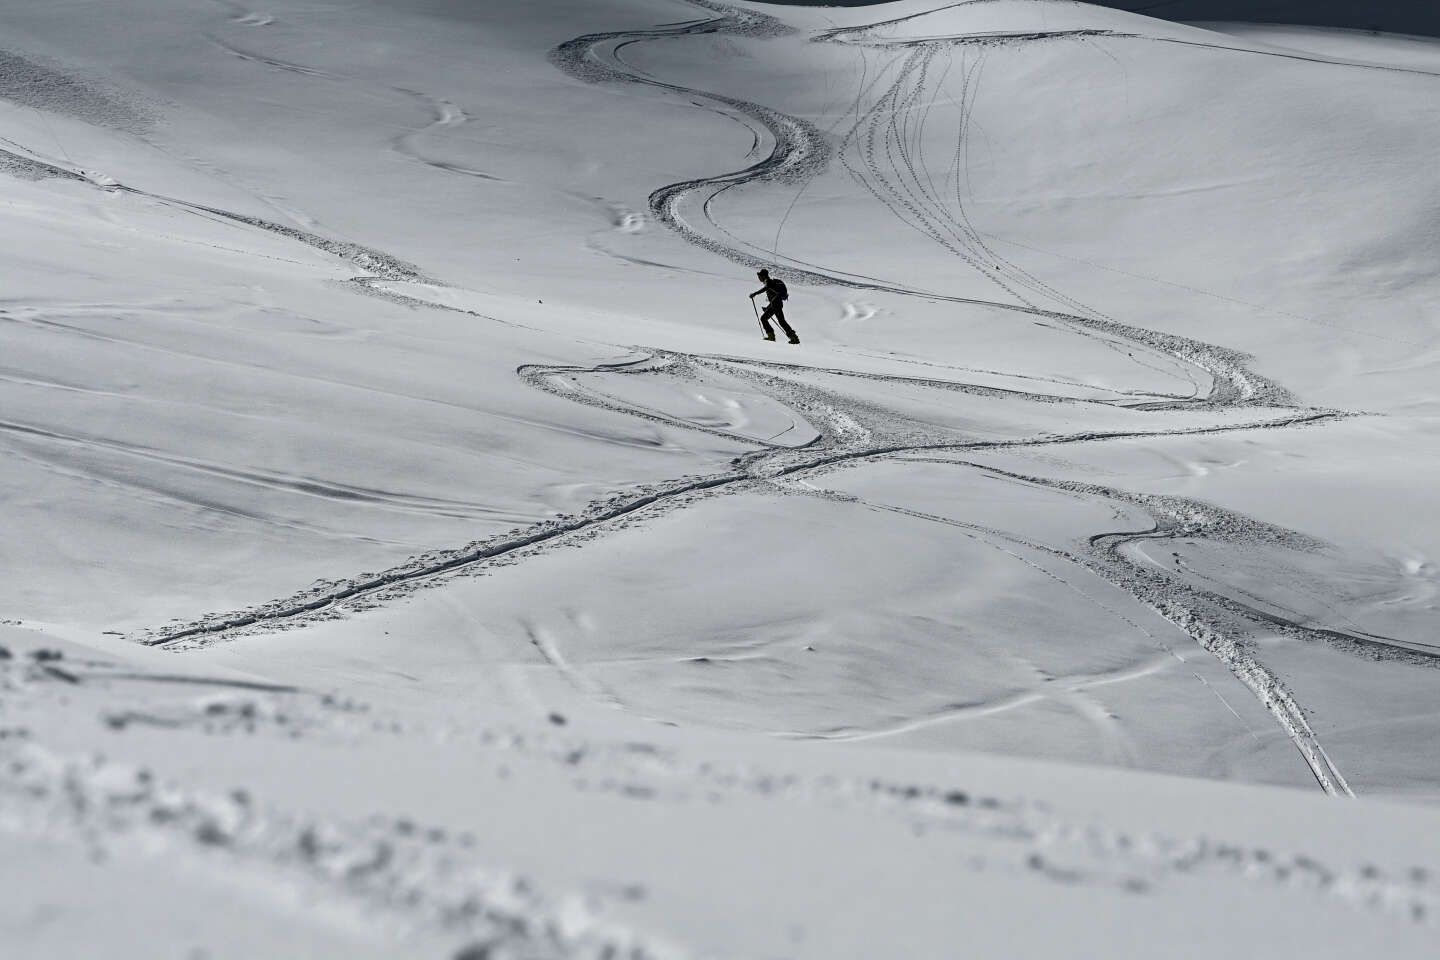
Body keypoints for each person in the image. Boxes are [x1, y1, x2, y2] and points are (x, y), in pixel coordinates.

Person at [749, 268, 799, 344]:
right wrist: (767, 307)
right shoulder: (769, 282)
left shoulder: (768, 281)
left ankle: (775, 336)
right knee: (775, 320)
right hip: (775, 304)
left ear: (763, 276)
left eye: (760, 276)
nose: (759, 278)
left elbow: (766, 289)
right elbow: (773, 298)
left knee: (771, 320)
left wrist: (755, 293)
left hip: (776, 305)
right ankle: (792, 337)